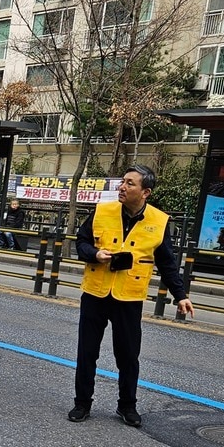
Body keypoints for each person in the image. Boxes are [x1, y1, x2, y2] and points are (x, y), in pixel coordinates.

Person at [68, 165, 194, 429]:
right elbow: (80, 242)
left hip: (129, 297)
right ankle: (82, 403)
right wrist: (94, 254)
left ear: (145, 192)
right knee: (87, 352)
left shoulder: (159, 222)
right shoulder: (102, 211)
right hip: (95, 292)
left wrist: (180, 295)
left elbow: (167, 263)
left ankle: (127, 406)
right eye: (123, 182)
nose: (122, 187)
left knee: (127, 356)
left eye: (130, 183)